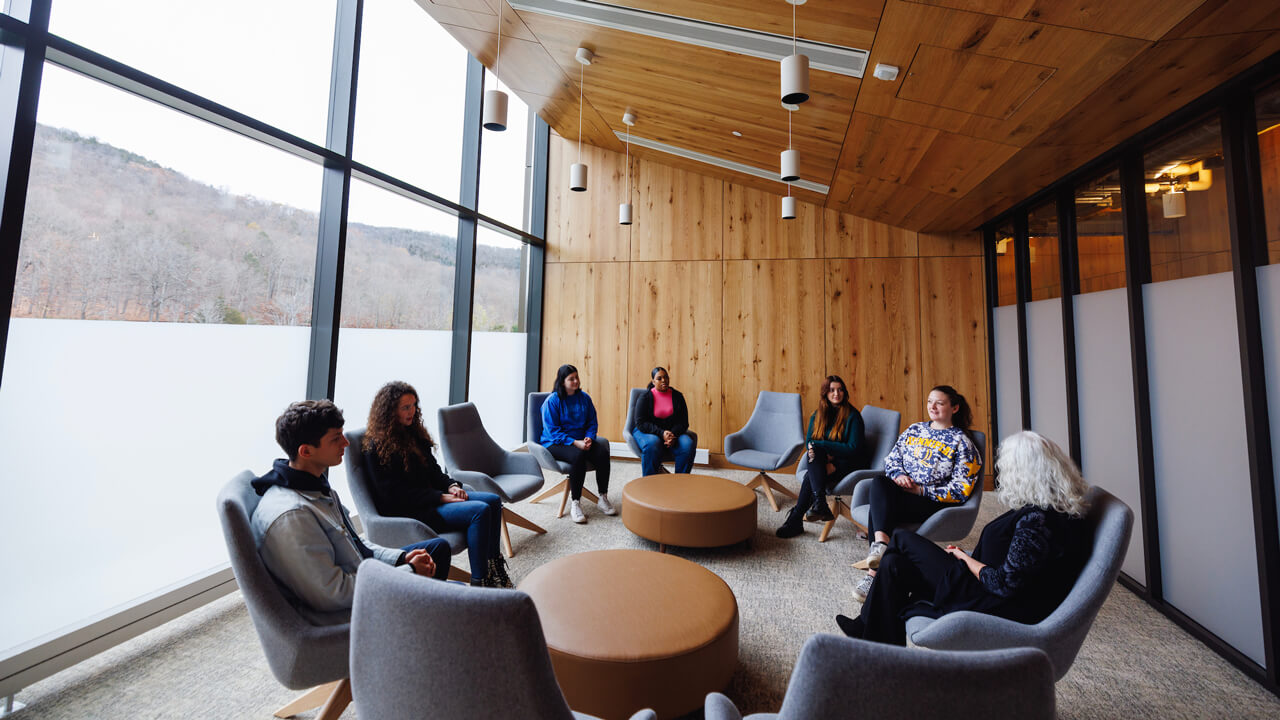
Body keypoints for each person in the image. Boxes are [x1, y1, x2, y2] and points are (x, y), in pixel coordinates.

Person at [835, 431, 1091, 645]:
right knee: (894, 565)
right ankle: (879, 648)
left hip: (985, 597)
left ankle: (867, 620)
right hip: (977, 583)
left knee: (900, 539)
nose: (1003, 472)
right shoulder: (1051, 509)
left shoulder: (1039, 521)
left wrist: (963, 557)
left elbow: (1004, 584)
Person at [250, 400, 452, 625]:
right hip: (350, 615)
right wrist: (409, 572)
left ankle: (428, 626)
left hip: (358, 576)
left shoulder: (314, 487)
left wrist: (401, 559)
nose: (346, 443)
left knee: (436, 552)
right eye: (336, 438)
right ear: (306, 451)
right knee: (459, 604)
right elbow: (335, 593)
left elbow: (357, 545)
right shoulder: (293, 516)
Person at [359, 381, 512, 588]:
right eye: (405, 407)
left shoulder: (413, 433)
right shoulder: (374, 447)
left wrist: (450, 486)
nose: (412, 411)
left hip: (433, 499)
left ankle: (494, 569)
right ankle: (481, 582)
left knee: (493, 501)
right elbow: (393, 496)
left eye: (414, 405)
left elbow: (434, 471)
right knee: (480, 511)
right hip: (413, 510)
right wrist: (440, 497)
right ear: (389, 410)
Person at [849, 384, 982, 599]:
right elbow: (892, 459)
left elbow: (961, 490)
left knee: (880, 508)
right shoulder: (915, 429)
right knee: (880, 483)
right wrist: (899, 475)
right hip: (902, 492)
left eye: (940, 402)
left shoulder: (962, 442)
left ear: (954, 408)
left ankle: (873, 572)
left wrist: (921, 490)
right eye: (930, 401)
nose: (933, 407)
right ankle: (881, 546)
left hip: (931, 503)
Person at [776, 375, 865, 538]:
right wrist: (818, 448)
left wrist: (823, 446)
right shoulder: (818, 414)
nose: (836, 394)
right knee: (815, 457)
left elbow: (854, 449)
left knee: (813, 472)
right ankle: (818, 503)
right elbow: (810, 440)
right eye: (832, 390)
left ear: (845, 392)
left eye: (840, 390)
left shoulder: (853, 416)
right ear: (825, 393)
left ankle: (798, 517)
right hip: (824, 459)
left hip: (849, 463)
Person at [541, 363, 613, 524]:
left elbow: (592, 422)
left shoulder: (584, 398)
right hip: (555, 442)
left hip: (581, 440)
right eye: (571, 379)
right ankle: (575, 503)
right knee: (578, 455)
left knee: (602, 453)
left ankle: (603, 497)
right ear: (562, 382)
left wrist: (589, 437)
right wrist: (575, 443)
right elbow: (552, 430)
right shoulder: (552, 401)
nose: (576, 381)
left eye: (576, 377)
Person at [632, 366, 696, 476]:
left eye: (666, 377)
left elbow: (684, 422)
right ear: (653, 381)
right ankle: (649, 483)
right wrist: (662, 433)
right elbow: (640, 423)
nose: (664, 380)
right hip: (647, 432)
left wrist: (672, 435)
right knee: (652, 443)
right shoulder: (645, 397)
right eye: (659, 378)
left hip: (673, 433)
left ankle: (680, 482)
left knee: (687, 444)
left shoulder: (678, 396)